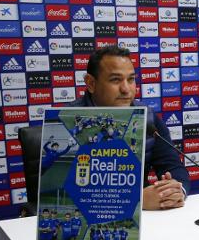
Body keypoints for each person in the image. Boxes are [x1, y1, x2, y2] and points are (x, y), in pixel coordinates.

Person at [70, 46, 189, 210]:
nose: (126, 89)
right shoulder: (66, 122)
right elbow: (62, 191)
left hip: (147, 220)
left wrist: (174, 191)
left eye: (131, 79)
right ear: (91, 83)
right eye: (115, 80)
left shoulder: (148, 117)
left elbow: (173, 167)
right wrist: (136, 200)